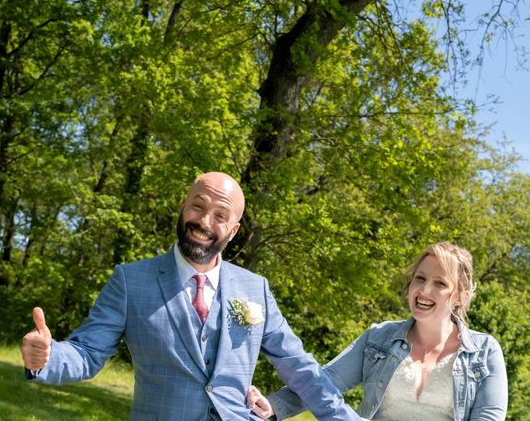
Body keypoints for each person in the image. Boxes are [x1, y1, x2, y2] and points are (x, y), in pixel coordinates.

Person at [21, 172, 361, 421]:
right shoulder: (131, 280)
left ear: (234, 230)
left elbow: (299, 368)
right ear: (183, 207)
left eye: (220, 216)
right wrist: (47, 359)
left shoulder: (254, 288)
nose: (204, 221)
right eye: (197, 207)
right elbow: (87, 353)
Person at [247, 242, 508, 420]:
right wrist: (275, 407)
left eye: (439, 283)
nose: (424, 290)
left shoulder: (484, 352)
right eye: (420, 278)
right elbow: (323, 382)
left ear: (460, 297)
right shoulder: (379, 338)